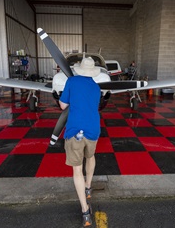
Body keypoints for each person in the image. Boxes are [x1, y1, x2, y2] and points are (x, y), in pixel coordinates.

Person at [59, 57, 101, 227]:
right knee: (90, 157)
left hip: (75, 130)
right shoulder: (96, 88)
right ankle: (88, 187)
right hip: (93, 130)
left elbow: (63, 105)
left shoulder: (72, 81)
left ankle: (85, 212)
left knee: (77, 170)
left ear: (80, 69)